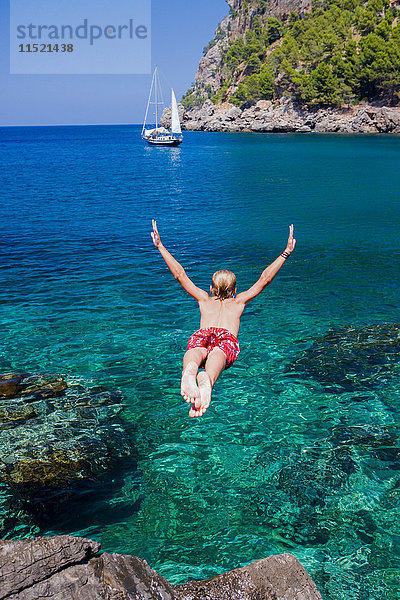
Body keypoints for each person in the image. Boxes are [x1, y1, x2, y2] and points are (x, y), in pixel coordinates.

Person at [151, 219, 296, 418]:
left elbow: (180, 275)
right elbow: (265, 279)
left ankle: (190, 370)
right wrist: (285, 253)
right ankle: (208, 380)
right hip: (226, 337)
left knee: (196, 352)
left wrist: (160, 246)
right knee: (218, 355)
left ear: (211, 288)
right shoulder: (239, 302)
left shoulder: (203, 299)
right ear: (235, 291)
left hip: (203, 333)